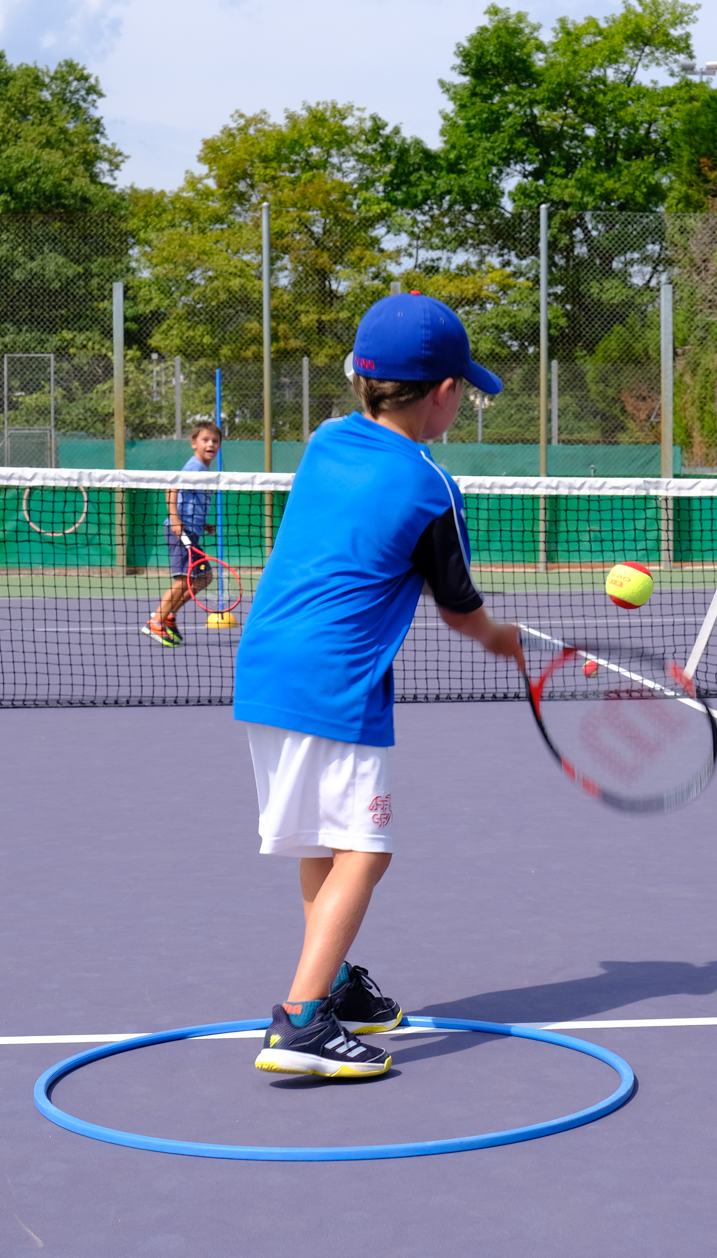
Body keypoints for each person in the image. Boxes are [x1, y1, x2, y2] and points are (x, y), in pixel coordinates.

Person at [233, 292, 522, 1078]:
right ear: (443, 394)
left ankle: (328, 986)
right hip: (336, 681)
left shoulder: (325, 440)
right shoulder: (432, 489)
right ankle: (299, 1022)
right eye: (461, 390)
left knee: (323, 840)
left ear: (363, 381)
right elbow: (462, 611)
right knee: (366, 847)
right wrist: (505, 640)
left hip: (265, 671)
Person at [146, 421, 222, 647]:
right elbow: (173, 487)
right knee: (184, 580)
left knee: (203, 578)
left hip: (192, 530)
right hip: (181, 531)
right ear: (193, 443)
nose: (211, 444)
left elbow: (191, 500)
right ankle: (156, 622)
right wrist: (176, 519)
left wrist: (202, 523)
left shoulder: (204, 470)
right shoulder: (195, 467)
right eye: (205, 440)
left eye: (215, 441)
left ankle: (169, 615)